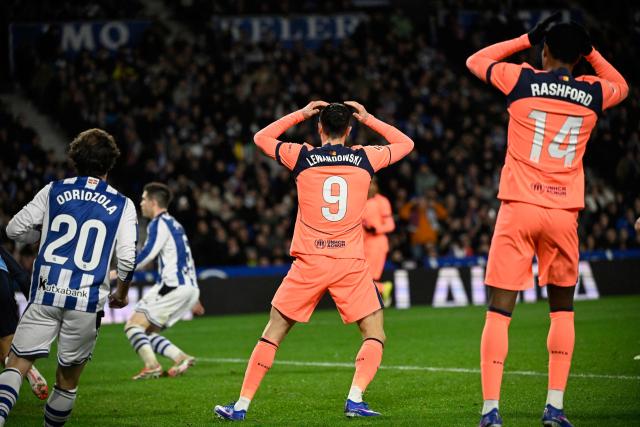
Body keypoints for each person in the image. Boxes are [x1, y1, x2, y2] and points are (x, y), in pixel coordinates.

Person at [466, 13, 628, 427]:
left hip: (518, 207)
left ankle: (490, 411)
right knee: (563, 312)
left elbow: (475, 60)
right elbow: (622, 86)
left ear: (545, 51)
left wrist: (524, 37)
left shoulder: (521, 80)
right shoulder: (592, 92)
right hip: (563, 213)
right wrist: (591, 51)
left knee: (499, 313)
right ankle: (554, 407)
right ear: (578, 59)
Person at [213, 101, 414, 421]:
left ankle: (240, 406)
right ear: (349, 130)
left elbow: (261, 138)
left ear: (320, 128)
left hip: (309, 260)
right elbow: (406, 143)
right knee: (374, 333)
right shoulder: (365, 158)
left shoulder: (302, 157)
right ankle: (355, 398)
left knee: (273, 332)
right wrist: (369, 118)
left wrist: (300, 114)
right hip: (350, 261)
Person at [0, 128, 137, 426]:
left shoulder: (54, 191)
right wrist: (122, 293)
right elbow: (127, 258)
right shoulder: (122, 204)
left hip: (46, 294)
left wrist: (42, 232)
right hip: (86, 303)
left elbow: (13, 230)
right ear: (110, 163)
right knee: (67, 381)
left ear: (75, 159)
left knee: (16, 364)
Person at [110, 182, 201, 380]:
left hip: (172, 287)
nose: (140, 203)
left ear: (152, 202)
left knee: (133, 326)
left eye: (143, 199)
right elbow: (186, 258)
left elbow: (147, 254)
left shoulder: (158, 224)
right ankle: (181, 357)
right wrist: (195, 295)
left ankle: (152, 366)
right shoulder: (175, 223)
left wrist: (118, 272)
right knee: (147, 331)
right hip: (186, 287)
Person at [0, 244, 49, 400]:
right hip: (2, 287)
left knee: (3, 350)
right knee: (6, 342)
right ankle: (26, 370)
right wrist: (33, 301)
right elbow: (20, 274)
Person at [362, 178, 395, 307]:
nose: (371, 187)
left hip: (377, 243)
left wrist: (376, 229)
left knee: (367, 278)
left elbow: (390, 224)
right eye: (368, 184)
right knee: (362, 277)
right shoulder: (359, 201)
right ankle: (380, 292)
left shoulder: (382, 202)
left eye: (373, 184)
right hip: (362, 244)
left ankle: (382, 289)